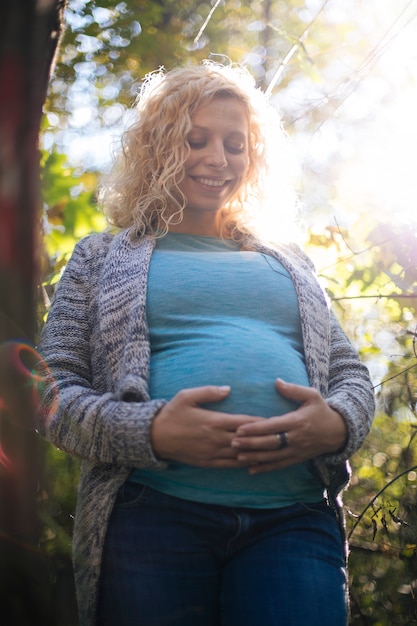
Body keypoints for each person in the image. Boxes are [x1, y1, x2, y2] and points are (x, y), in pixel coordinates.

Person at [38, 62, 375, 626]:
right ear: (157, 147)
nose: (218, 159)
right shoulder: (101, 257)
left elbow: (350, 375)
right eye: (196, 140)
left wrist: (338, 425)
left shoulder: (288, 261)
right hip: (153, 517)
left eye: (235, 144)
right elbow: (46, 391)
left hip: (292, 518)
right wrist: (148, 432)